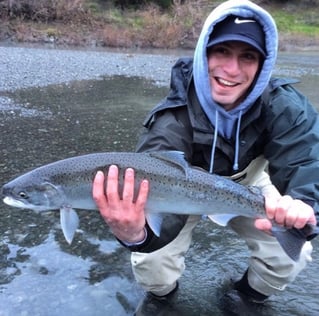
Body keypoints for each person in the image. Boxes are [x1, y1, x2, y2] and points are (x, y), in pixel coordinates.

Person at [92, 0, 319, 311]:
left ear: (262, 65)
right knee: (152, 267)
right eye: (222, 51)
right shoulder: (170, 120)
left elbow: (307, 158)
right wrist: (137, 235)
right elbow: (153, 190)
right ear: (203, 53)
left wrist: (304, 204)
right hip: (177, 187)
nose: (231, 69)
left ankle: (245, 297)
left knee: (293, 250)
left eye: (247, 56)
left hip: (247, 181)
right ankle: (164, 300)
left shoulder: (283, 106)